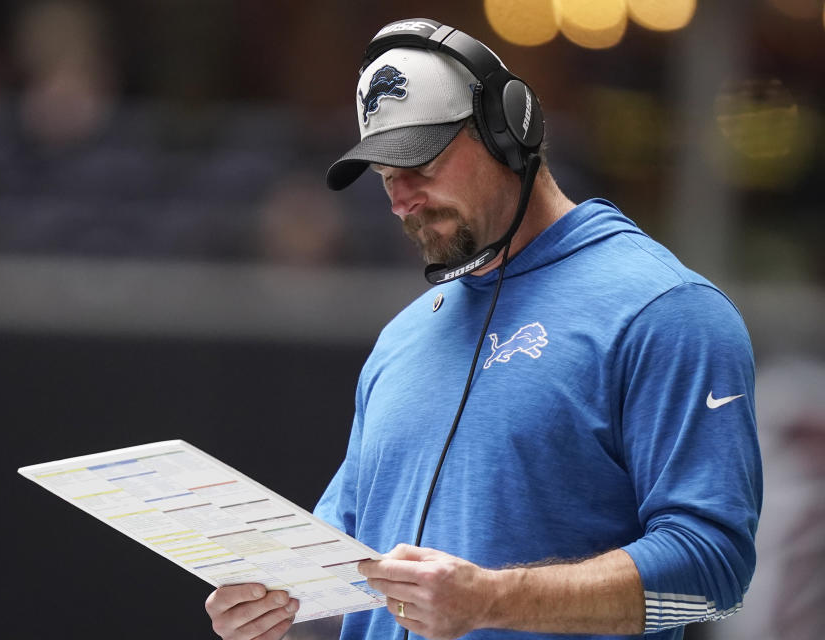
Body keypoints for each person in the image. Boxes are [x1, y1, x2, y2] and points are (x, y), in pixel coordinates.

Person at [204, 19, 761, 640]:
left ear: (508, 130)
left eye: (420, 162)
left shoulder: (665, 309)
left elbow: (716, 577)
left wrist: (492, 599)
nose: (401, 199)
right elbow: (345, 582)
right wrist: (275, 609)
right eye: (387, 175)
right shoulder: (402, 338)